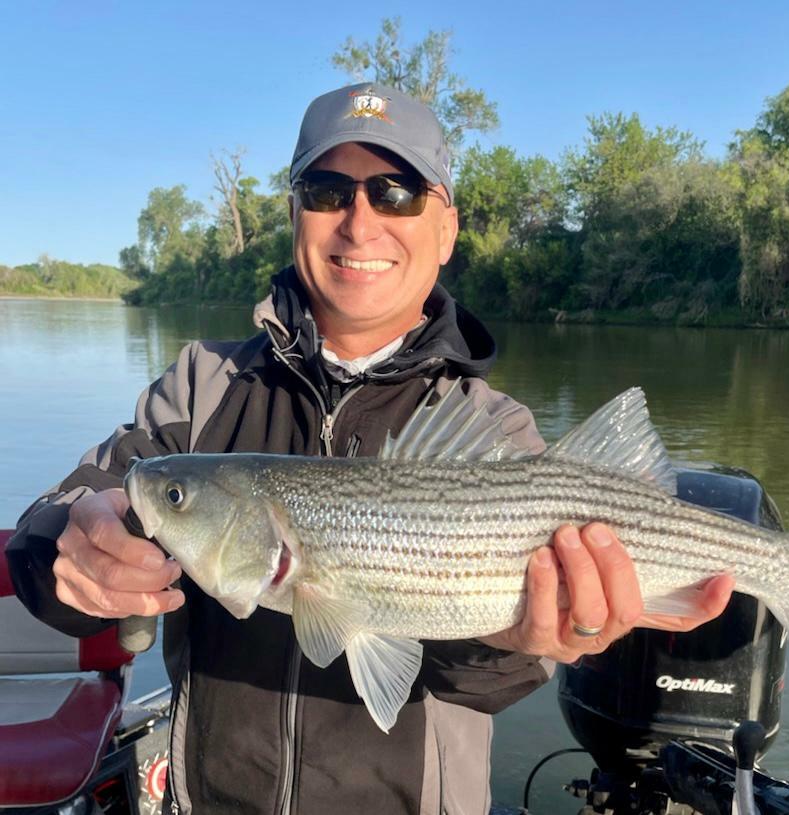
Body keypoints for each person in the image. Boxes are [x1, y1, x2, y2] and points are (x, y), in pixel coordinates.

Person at [7, 84, 733, 814]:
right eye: (327, 189)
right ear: (295, 213)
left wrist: (517, 639)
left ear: (446, 228)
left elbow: (495, 681)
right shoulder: (202, 387)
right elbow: (68, 515)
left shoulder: (495, 429)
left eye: (396, 192)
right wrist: (65, 548)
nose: (359, 221)